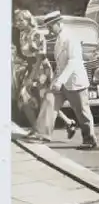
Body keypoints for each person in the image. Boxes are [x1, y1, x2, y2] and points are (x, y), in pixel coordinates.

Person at [24, 11, 97, 149]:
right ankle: (43, 135)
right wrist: (55, 80)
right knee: (49, 99)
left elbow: (73, 62)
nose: (49, 30)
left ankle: (90, 139)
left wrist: (60, 81)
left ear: (58, 23)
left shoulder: (70, 37)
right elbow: (60, 63)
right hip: (61, 81)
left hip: (75, 81)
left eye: (51, 26)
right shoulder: (59, 37)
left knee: (82, 112)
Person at [12, 10, 77, 139]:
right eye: (16, 20)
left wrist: (30, 78)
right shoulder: (22, 33)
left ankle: (41, 130)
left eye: (21, 20)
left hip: (41, 69)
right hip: (31, 68)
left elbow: (40, 58)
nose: (17, 23)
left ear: (28, 20)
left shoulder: (37, 34)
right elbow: (26, 55)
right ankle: (40, 128)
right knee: (24, 99)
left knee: (43, 101)